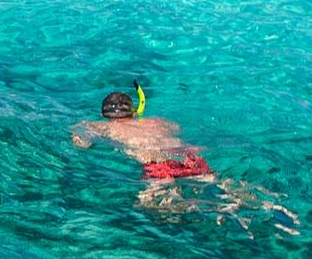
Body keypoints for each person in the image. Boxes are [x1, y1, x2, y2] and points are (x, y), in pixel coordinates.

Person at [70, 87, 298, 231]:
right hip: (190, 157)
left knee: (150, 207)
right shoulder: (160, 121)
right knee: (219, 183)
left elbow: (81, 144)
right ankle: (269, 204)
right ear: (134, 111)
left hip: (158, 165)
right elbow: (175, 130)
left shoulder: (99, 127)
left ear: (104, 115)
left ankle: (218, 211)